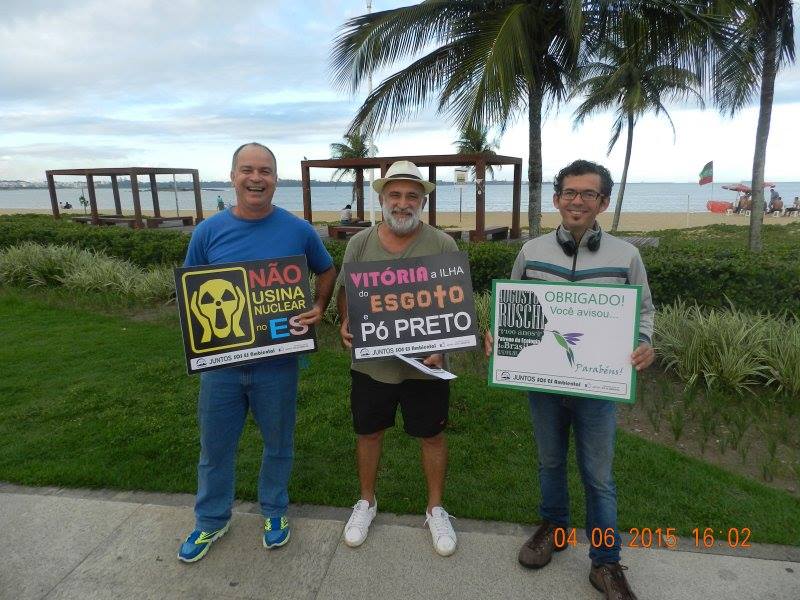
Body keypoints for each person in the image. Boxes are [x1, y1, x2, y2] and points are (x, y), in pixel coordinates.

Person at [484, 160, 654, 600]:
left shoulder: (625, 256)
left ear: (603, 202)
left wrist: (644, 343)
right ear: (557, 198)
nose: (578, 201)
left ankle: (606, 562)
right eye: (570, 193)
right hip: (544, 383)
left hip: (598, 388)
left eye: (588, 194)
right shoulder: (532, 251)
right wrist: (499, 336)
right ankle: (554, 530)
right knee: (550, 462)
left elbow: (645, 313)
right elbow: (514, 306)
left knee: (598, 475)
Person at [178, 142, 337, 563]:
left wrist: (320, 306)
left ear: (275, 179)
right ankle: (211, 520)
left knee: (279, 443)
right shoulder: (208, 232)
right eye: (247, 170)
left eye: (265, 171)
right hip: (222, 367)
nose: (256, 178)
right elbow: (191, 289)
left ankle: (274, 512)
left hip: (278, 363)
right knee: (215, 448)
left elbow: (326, 268)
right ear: (232, 177)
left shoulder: (298, 229)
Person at [336, 160, 459, 556]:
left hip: (426, 366)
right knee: (369, 432)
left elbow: (453, 304)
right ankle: (367, 502)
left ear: (422, 201)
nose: (403, 203)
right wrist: (344, 322)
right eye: (395, 195)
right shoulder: (360, 244)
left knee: (432, 435)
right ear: (383, 199)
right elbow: (345, 294)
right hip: (373, 364)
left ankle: (436, 508)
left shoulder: (442, 244)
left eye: (411, 196)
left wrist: (442, 345)